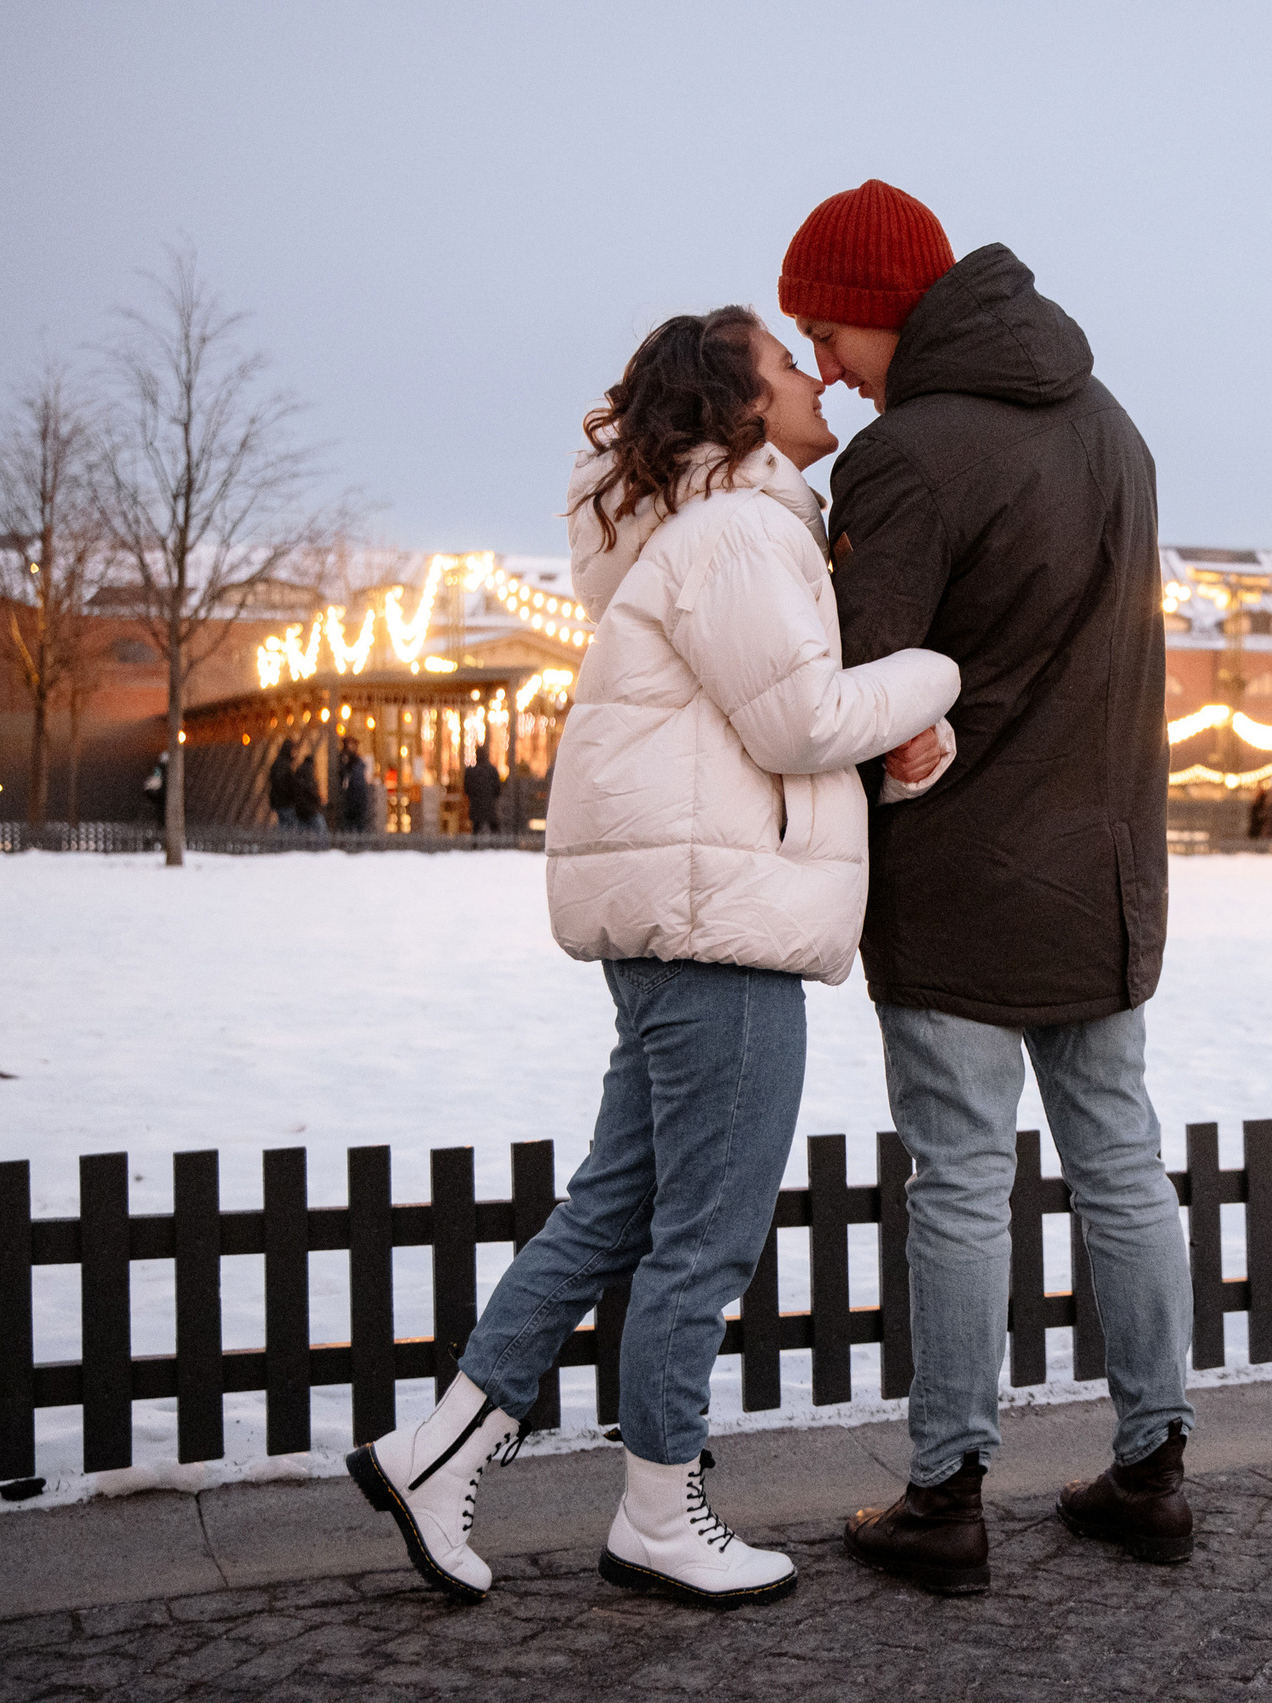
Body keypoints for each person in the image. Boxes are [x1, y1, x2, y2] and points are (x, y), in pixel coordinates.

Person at [346, 304, 959, 1610]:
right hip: (719, 930)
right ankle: (658, 1510)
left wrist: (895, 732)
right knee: (705, 1236)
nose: (814, 376)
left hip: (692, 918)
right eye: (786, 364)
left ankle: (436, 1446)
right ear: (739, 405)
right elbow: (799, 718)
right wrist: (934, 676)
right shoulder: (740, 529)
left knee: (614, 1209)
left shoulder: (709, 531)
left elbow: (768, 733)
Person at [786, 181, 1195, 1594]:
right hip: (1108, 875)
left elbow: (849, 676)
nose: (824, 364)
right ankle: (1152, 1469)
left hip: (961, 877)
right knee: (1123, 1161)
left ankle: (947, 1492)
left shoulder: (910, 457)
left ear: (886, 306)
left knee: (962, 1176)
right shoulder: (1116, 429)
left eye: (827, 328)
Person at [463, 743, 504, 836]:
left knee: (476, 828)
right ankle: (497, 847)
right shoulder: (492, 771)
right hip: (490, 806)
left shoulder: (471, 772)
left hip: (475, 806)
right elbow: (497, 790)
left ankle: (475, 846)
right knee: (494, 830)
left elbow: (467, 789)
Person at [337, 737, 374, 832]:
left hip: (358, 796)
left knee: (359, 823)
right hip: (350, 798)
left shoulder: (357, 761)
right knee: (350, 823)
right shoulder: (344, 760)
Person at [267, 740, 301, 828]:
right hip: (284, 801)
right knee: (288, 826)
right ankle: (284, 842)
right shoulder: (283, 764)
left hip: (280, 801)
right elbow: (282, 784)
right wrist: (292, 793)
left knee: (284, 824)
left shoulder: (280, 762)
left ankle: (283, 841)